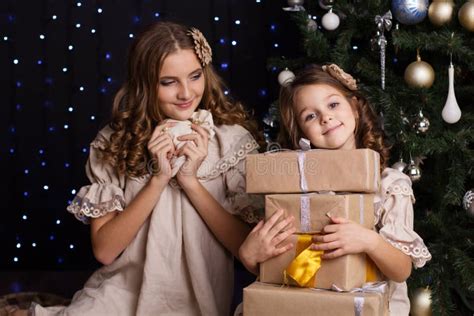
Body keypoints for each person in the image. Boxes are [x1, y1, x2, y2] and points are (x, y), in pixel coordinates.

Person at [20, 21, 270, 316]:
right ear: (144, 84)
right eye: (168, 82)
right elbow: (105, 251)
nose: (186, 92)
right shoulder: (113, 143)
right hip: (119, 295)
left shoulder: (231, 141)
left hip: (197, 304)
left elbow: (246, 250)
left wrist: (190, 182)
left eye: (195, 76)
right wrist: (159, 178)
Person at [238, 64, 432, 315]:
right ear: (300, 133)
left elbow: (401, 269)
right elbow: (281, 267)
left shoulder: (389, 186)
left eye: (332, 105)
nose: (325, 118)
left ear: (353, 106)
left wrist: (368, 240)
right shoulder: (295, 192)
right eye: (310, 116)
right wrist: (249, 257)